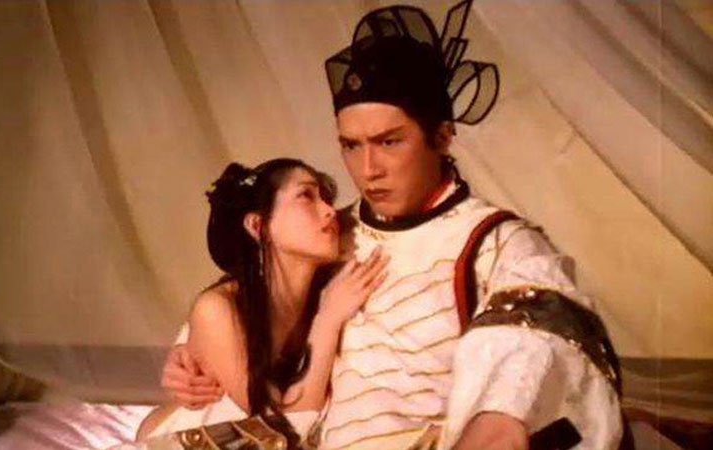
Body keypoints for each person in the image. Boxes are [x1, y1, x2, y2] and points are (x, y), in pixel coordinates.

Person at [163, 2, 628, 449]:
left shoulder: (496, 242)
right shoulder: (331, 236)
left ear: (441, 137)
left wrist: (499, 422)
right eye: (351, 146)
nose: (368, 170)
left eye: (389, 142)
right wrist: (192, 361)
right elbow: (245, 307)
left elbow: (537, 349)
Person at [136, 158, 388, 444]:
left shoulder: (328, 286)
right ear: (258, 225)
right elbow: (279, 427)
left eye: (326, 199)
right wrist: (328, 321)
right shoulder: (218, 308)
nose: (330, 210)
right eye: (306, 196)